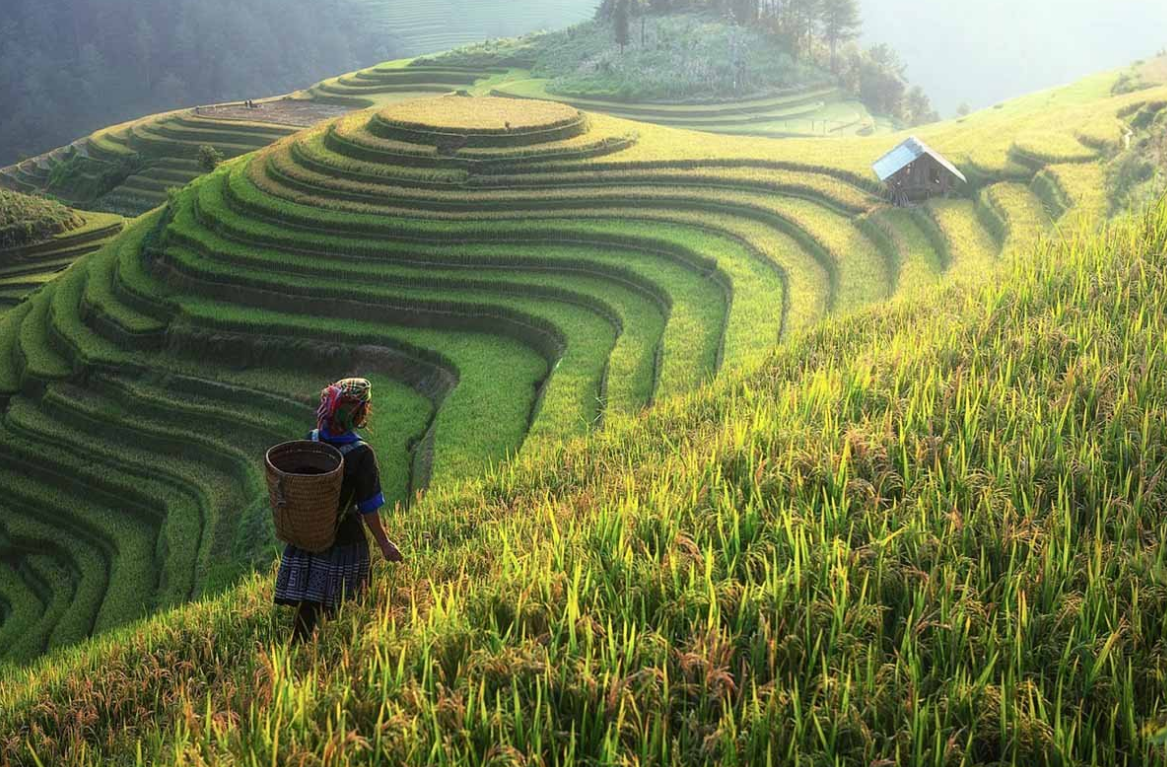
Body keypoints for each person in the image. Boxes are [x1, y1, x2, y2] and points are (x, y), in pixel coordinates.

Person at [274, 377, 404, 643]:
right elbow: (369, 508)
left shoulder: (310, 440)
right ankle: (334, 654)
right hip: (343, 539)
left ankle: (301, 652)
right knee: (343, 603)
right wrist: (385, 544)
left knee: (310, 603)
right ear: (358, 413)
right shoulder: (360, 454)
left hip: (309, 534)